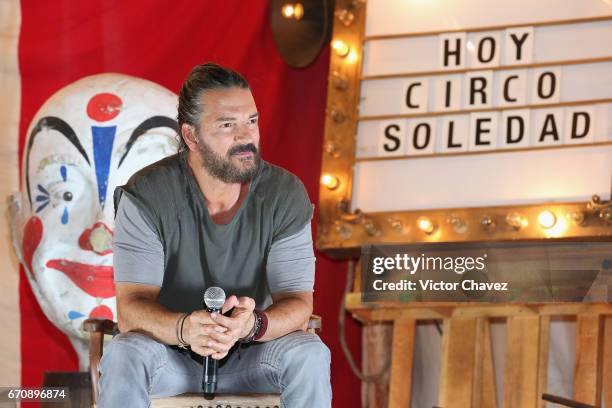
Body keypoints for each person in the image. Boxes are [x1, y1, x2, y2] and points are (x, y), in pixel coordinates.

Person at [97, 62, 331, 407]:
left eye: (251, 121)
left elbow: (298, 304)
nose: (245, 136)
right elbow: (132, 310)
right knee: (124, 352)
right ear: (191, 136)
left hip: (254, 354)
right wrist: (186, 329)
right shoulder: (147, 195)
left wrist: (252, 325)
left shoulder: (284, 193)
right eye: (227, 125)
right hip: (170, 354)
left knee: (309, 351)